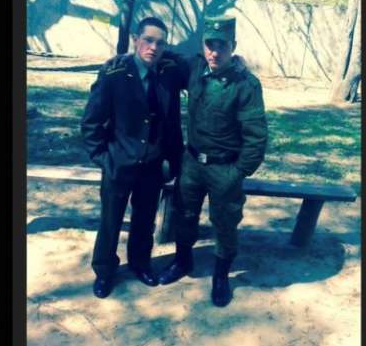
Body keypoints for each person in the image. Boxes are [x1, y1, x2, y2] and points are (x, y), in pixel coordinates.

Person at [158, 15, 268, 307]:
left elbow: (256, 136)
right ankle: (183, 261)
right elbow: (162, 54)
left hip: (225, 168)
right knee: (184, 214)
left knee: (225, 223)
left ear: (233, 46)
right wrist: (123, 59)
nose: (214, 52)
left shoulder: (246, 84)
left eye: (222, 45)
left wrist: (239, 172)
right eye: (210, 45)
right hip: (192, 163)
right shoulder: (195, 68)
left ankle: (221, 277)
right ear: (202, 45)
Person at [81, 17, 187, 298]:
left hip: (152, 165)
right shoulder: (114, 74)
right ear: (135, 40)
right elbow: (91, 123)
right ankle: (104, 271)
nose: (153, 47)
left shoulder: (168, 74)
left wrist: (236, 60)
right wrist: (104, 159)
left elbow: (197, 67)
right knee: (110, 221)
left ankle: (140, 263)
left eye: (160, 43)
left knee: (144, 219)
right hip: (118, 163)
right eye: (148, 40)